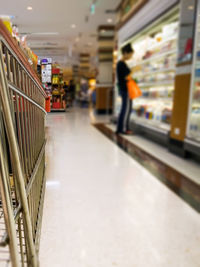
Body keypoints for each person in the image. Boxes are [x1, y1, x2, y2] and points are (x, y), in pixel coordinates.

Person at [116, 43, 134, 135]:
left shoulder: (121, 64)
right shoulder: (121, 64)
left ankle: (122, 127)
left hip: (125, 90)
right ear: (126, 53)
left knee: (126, 109)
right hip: (125, 90)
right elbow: (126, 77)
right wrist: (134, 71)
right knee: (126, 109)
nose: (131, 56)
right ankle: (123, 128)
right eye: (131, 54)